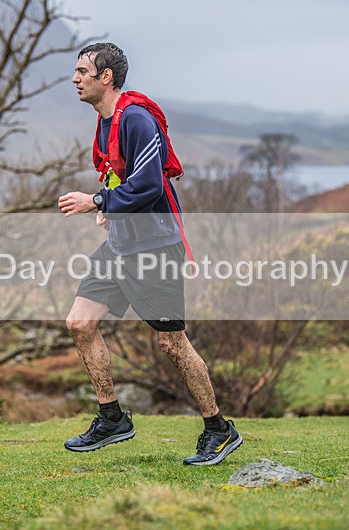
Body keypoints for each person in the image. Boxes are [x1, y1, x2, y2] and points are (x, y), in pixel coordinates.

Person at [57, 43, 242, 466]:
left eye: (83, 70)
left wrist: (99, 201)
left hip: (154, 250)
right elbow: (122, 176)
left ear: (106, 77)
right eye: (76, 70)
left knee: (172, 344)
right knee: (80, 323)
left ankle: (219, 429)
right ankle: (112, 418)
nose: (75, 78)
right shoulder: (105, 122)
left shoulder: (136, 119)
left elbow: (150, 186)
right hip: (122, 246)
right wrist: (111, 210)